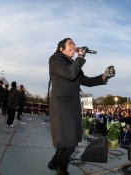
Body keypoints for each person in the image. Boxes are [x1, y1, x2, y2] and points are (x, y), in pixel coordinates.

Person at [48, 38, 115, 175]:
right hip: (62, 107)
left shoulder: (73, 64)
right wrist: (80, 56)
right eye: (70, 44)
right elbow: (70, 74)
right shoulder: (55, 59)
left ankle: (54, 163)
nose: (74, 45)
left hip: (71, 107)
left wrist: (104, 77)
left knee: (68, 142)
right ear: (61, 48)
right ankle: (61, 172)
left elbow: (87, 81)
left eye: (74, 43)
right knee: (68, 145)